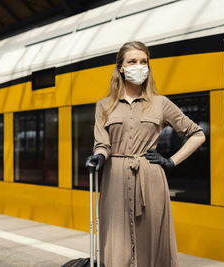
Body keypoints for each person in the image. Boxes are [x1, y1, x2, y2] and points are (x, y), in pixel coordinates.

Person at [86, 41, 206, 267]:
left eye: (143, 62)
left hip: (150, 178)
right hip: (115, 178)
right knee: (116, 244)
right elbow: (102, 143)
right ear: (121, 67)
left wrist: (171, 161)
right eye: (132, 61)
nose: (139, 66)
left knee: (152, 241)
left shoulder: (160, 103)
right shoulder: (104, 105)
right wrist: (99, 156)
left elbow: (197, 134)